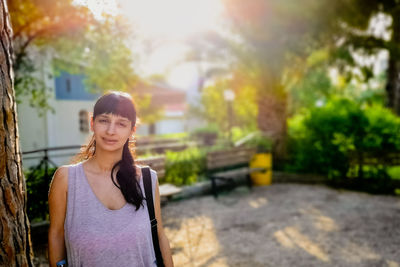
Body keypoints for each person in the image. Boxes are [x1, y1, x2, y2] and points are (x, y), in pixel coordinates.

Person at [48, 91, 174, 267]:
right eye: (104, 120)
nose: (110, 131)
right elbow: (56, 234)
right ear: (92, 123)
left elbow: (159, 235)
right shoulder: (66, 179)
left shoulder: (147, 179)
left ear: (132, 130)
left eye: (121, 123)